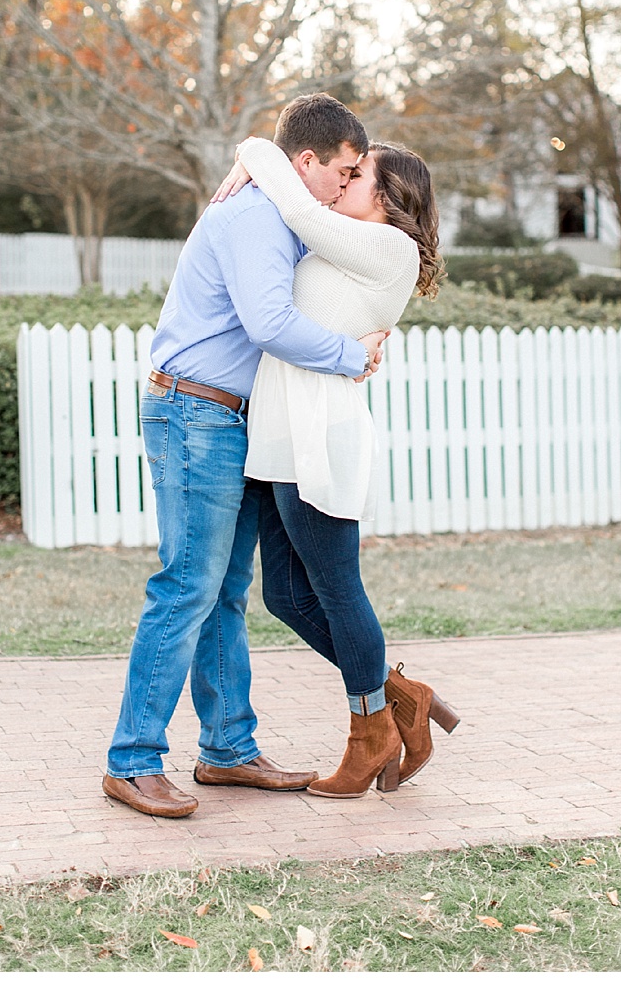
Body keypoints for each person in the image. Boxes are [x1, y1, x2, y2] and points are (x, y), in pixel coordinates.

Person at [103, 93, 390, 821]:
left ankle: (228, 750)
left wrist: (252, 154)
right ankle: (132, 760)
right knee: (187, 586)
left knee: (225, 590)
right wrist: (347, 356)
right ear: (308, 162)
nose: (346, 183)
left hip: (228, 417)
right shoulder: (257, 216)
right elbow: (269, 322)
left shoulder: (281, 210)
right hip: (193, 409)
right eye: (344, 169)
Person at [213, 133, 460, 797]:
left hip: (319, 433)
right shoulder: (342, 245)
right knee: (285, 595)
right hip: (277, 432)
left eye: (357, 175)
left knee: (338, 588)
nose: (342, 181)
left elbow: (297, 209)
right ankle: (400, 695)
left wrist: (252, 150)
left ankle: (369, 729)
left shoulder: (390, 246)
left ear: (386, 195)